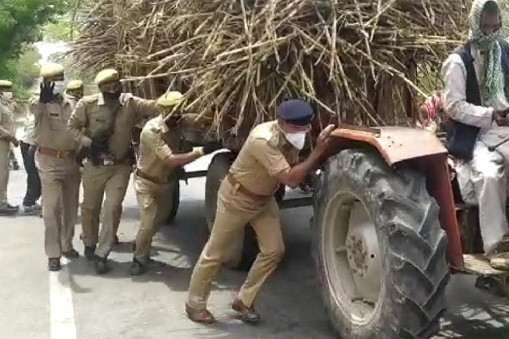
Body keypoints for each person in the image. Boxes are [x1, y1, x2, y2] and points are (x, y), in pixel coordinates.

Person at [185, 99, 335, 324]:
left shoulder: (294, 135)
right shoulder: (262, 140)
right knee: (215, 253)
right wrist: (319, 152)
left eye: (306, 127)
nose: (303, 132)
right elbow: (290, 179)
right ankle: (194, 305)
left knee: (274, 250)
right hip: (237, 198)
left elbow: (294, 167)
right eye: (298, 127)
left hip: (264, 200)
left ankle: (244, 300)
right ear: (281, 122)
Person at [441, 0, 509, 270]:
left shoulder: (504, 49)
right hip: (478, 132)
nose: (491, 32)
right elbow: (454, 106)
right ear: (475, 24)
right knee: (490, 175)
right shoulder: (458, 61)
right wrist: (488, 114)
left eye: (495, 26)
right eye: (485, 27)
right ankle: (497, 246)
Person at [68, 68, 159, 273]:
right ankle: (90, 242)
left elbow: (153, 107)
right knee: (90, 208)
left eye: (116, 85)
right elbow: (72, 127)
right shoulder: (87, 104)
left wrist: (172, 101)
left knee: (112, 208)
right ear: (100, 88)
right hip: (95, 165)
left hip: (120, 166)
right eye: (108, 87)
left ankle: (103, 252)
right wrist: (89, 143)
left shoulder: (130, 103)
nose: (113, 89)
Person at [129, 91, 220, 276]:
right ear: (163, 111)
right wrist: (201, 151)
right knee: (148, 222)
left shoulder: (180, 121)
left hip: (167, 183)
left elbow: (202, 119)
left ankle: (141, 241)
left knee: (159, 219)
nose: (177, 115)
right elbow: (171, 161)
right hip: (146, 182)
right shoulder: (151, 130)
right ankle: (139, 257)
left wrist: (214, 109)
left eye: (179, 111)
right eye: (173, 111)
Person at [31, 63, 82, 271]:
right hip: (48, 162)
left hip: (71, 161)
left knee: (71, 207)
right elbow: (33, 108)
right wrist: (43, 101)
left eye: (59, 79)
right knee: (51, 210)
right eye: (50, 81)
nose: (55, 84)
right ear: (44, 83)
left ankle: (67, 245)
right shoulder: (38, 102)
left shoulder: (74, 103)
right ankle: (53, 253)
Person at [18, 92, 42, 216]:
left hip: (29, 144)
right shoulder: (34, 116)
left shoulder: (34, 115)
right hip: (29, 145)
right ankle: (29, 202)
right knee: (34, 175)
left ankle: (31, 201)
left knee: (35, 175)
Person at [0, 79, 19, 215]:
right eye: (6, 90)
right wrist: (12, 137)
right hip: (1, 141)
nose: (9, 92)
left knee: (4, 173)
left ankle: (3, 200)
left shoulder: (4, 104)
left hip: (5, 143)